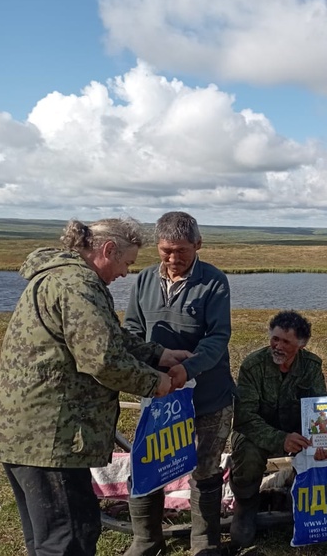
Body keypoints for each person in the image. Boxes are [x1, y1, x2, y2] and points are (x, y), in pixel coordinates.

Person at [0, 217, 189, 556]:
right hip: (50, 440)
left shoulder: (60, 277)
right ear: (107, 250)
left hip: (22, 436)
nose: (125, 273)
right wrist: (155, 383)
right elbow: (102, 359)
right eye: (126, 262)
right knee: (68, 539)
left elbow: (108, 336)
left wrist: (159, 353)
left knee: (45, 541)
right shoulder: (78, 285)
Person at [122, 212, 235, 556]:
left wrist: (190, 370)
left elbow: (218, 337)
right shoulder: (142, 281)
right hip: (158, 395)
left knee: (206, 468)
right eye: (165, 250)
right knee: (148, 463)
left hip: (209, 396)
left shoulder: (214, 282)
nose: (173, 258)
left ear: (198, 245)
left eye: (181, 250)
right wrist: (155, 366)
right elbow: (130, 331)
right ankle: (146, 540)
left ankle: (205, 541)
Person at [229, 310, 327, 550]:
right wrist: (281, 439)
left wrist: (322, 439)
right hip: (256, 431)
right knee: (248, 454)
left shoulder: (311, 366)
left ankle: (308, 499)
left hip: (297, 429)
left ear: (301, 345)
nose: (278, 346)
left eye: (286, 342)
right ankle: (245, 506)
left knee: (326, 450)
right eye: (275, 338)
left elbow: (321, 406)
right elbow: (245, 418)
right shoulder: (252, 366)